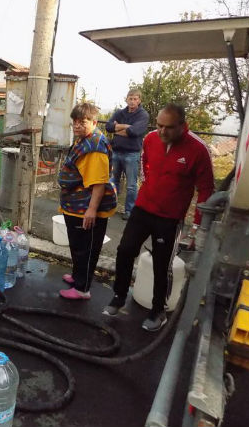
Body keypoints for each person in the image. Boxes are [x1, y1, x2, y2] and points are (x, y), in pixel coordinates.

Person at [102, 103, 214, 331]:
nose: (162, 131)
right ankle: (119, 296)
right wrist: (149, 184)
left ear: (184, 126)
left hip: (169, 217)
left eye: (169, 128)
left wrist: (198, 227)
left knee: (162, 265)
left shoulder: (198, 150)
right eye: (159, 125)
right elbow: (145, 164)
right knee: (125, 251)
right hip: (143, 208)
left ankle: (158, 311)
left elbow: (206, 190)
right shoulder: (151, 139)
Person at [58, 102, 117, 300]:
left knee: (86, 249)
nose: (77, 126)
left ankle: (83, 289)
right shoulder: (84, 139)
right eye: (74, 122)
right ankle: (77, 276)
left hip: (86, 207)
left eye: (82, 122)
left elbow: (99, 183)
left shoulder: (95, 147)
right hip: (75, 204)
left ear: (94, 121)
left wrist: (91, 210)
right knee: (77, 245)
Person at [105, 89, 149, 220]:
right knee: (113, 182)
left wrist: (118, 128)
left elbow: (134, 131)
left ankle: (129, 211)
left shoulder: (143, 115)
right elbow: (108, 127)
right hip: (117, 151)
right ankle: (110, 207)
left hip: (132, 154)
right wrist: (126, 126)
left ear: (139, 100)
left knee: (131, 185)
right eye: (130, 98)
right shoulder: (120, 112)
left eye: (135, 99)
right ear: (126, 99)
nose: (132, 101)